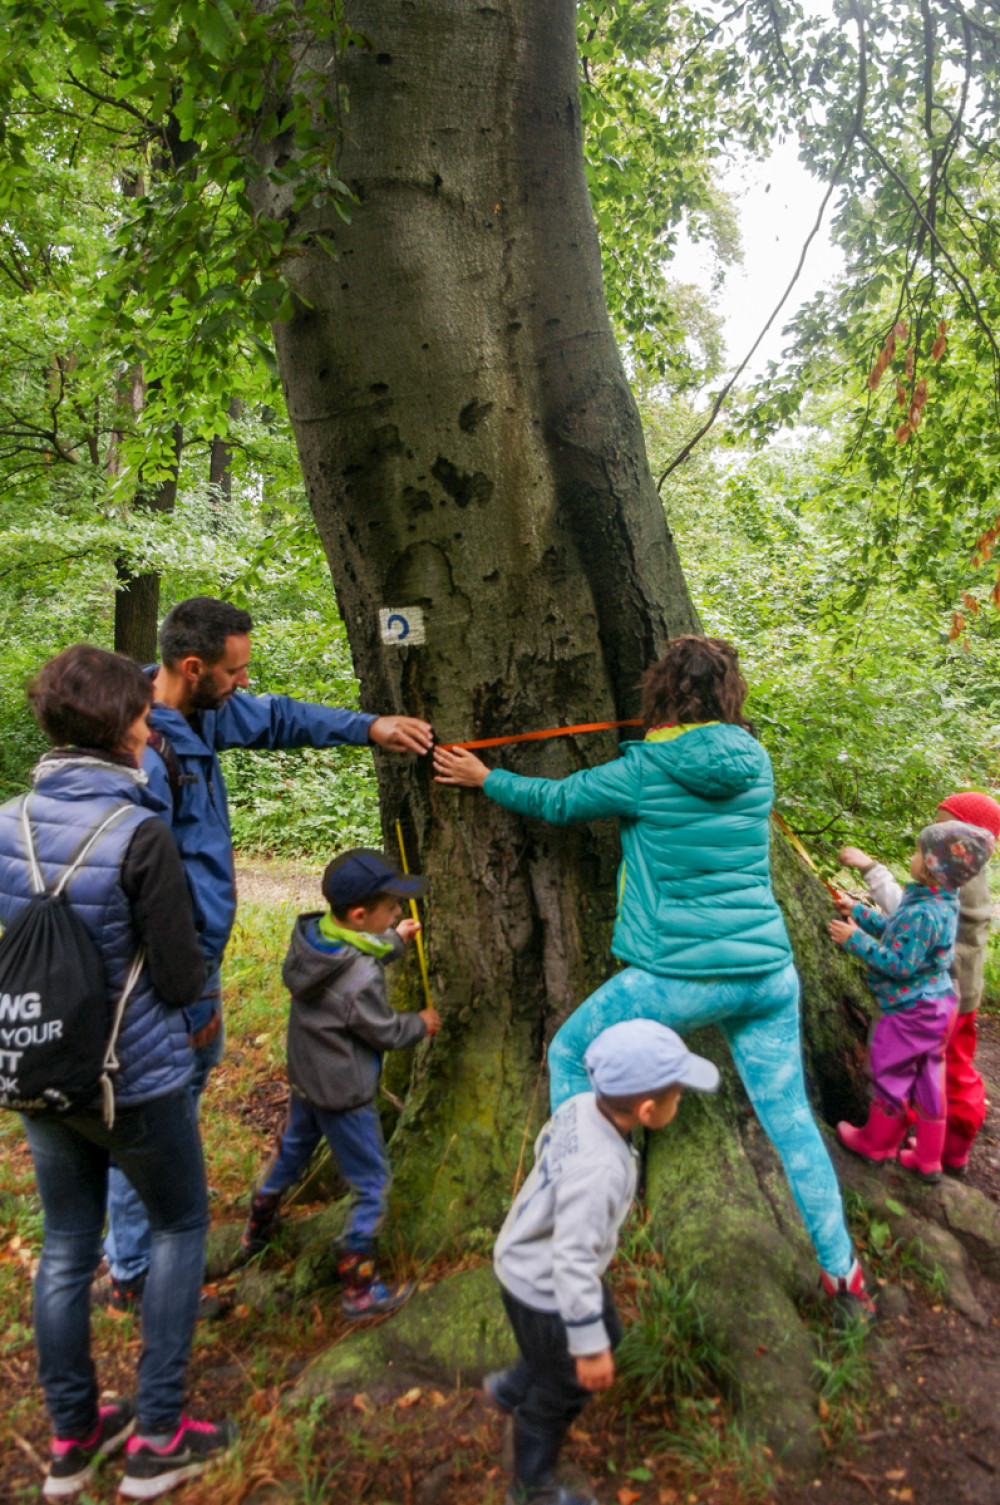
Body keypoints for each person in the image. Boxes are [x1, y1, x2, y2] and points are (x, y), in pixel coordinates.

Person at [434, 634, 874, 1323]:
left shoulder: (645, 768)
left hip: (680, 976)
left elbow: (559, 800)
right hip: (766, 972)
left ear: (663, 692)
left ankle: (578, 1239)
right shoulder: (753, 759)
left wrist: (484, 777)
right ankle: (844, 1279)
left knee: (570, 1053)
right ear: (729, 695)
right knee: (791, 1122)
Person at [103, 596, 434, 1312]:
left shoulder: (201, 711)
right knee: (154, 1116)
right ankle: (135, 1272)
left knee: (169, 1105)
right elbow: (144, 897)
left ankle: (139, 1257)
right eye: (235, 669)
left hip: (193, 963)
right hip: (165, 973)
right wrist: (190, 995)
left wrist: (368, 726)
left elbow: (282, 717)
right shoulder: (142, 752)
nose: (244, 682)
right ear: (194, 667)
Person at [0, 645, 234, 1500]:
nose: (150, 726)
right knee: (179, 1228)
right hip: (134, 1080)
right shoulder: (140, 831)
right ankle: (161, 1432)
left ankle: (72, 1438)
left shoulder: (5, 821)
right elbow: (179, 975)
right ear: (116, 729)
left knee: (65, 1245)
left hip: (39, 1065)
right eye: (141, 715)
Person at [487, 1019, 719, 1505]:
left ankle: (511, 1385)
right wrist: (588, 1350)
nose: (680, 1103)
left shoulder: (577, 1106)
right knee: (567, 1382)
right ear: (648, 1109)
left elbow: (544, 1147)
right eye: (678, 1096)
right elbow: (571, 1261)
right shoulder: (603, 1170)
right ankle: (530, 1487)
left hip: (522, 1254)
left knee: (604, 1332)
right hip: (543, 1283)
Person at [240, 848, 441, 1317]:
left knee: (291, 1153)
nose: (399, 913)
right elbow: (381, 1029)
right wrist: (420, 1024)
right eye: (392, 908)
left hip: (307, 1080)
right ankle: (358, 1285)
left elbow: (357, 950)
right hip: (345, 1094)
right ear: (360, 913)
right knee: (372, 1182)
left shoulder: (313, 939)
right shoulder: (358, 975)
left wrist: (395, 939)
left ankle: (258, 1223)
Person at [839, 789, 1000, 1176]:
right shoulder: (955, 879)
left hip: (930, 998)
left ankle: (905, 1144)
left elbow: (905, 938)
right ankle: (935, 1153)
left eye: (943, 824)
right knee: (934, 1072)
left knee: (918, 1072)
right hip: (948, 995)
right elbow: (904, 922)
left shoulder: (947, 892)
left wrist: (857, 932)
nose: (920, 850)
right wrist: (861, 912)